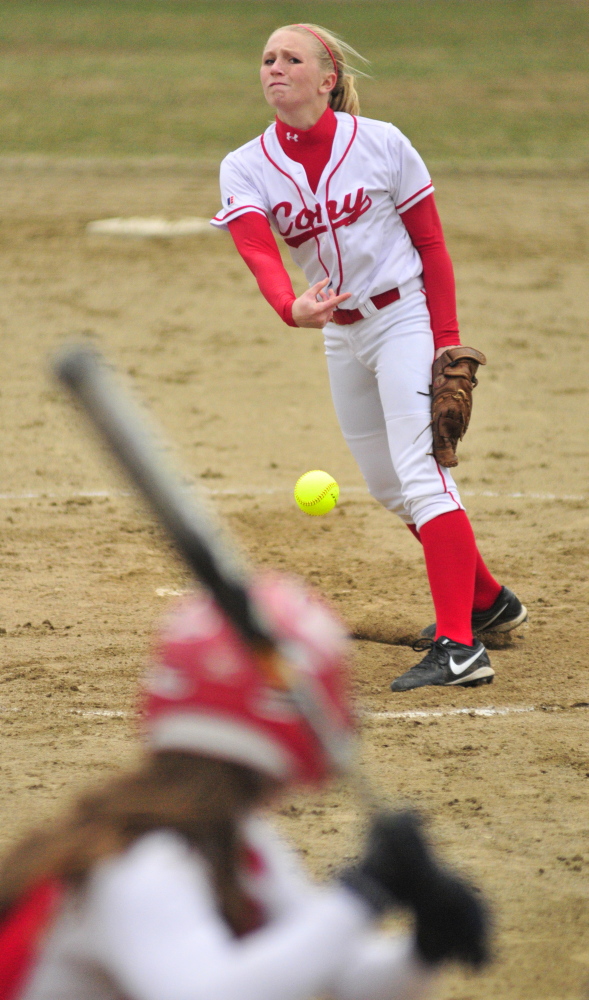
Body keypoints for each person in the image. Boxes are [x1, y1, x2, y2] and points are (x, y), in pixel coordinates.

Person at [210, 23, 528, 692]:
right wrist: (286, 304)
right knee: (388, 486)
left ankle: (459, 647)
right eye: (267, 58)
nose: (274, 68)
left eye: (290, 59)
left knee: (421, 475)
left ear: (326, 79)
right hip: (340, 333)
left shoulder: (381, 144)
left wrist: (445, 341)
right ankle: (490, 600)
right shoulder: (245, 163)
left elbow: (432, 247)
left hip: (403, 319)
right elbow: (255, 246)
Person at [0, 574, 488, 1000]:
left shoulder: (238, 842)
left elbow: (351, 979)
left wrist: (424, 950)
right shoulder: (142, 863)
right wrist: (362, 895)